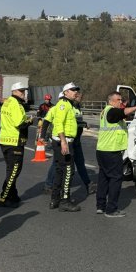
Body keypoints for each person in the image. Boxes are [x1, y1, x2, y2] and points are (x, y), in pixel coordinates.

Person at [95, 91, 136, 217]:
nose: (120, 102)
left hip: (103, 150)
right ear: (111, 101)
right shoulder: (111, 111)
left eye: (121, 100)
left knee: (104, 178)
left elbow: (121, 115)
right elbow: (122, 112)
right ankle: (111, 209)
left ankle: (100, 206)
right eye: (118, 100)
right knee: (116, 178)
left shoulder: (106, 112)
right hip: (111, 151)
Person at [48, 83, 83, 212]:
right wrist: (63, 141)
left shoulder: (68, 104)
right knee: (69, 171)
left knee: (59, 170)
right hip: (64, 142)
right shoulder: (64, 104)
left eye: (76, 90)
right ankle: (65, 200)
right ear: (66, 92)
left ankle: (55, 199)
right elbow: (58, 123)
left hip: (63, 141)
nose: (75, 92)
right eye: (73, 90)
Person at [0, 82, 33, 207]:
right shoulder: (16, 104)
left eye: (24, 91)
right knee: (14, 171)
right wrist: (30, 120)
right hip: (14, 141)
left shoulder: (7, 102)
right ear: (15, 91)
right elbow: (20, 123)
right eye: (21, 91)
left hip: (5, 140)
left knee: (10, 170)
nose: (24, 93)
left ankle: (13, 195)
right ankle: (5, 197)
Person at [71, 87, 96, 195]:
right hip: (70, 141)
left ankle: (88, 184)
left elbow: (78, 120)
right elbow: (72, 122)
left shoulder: (77, 107)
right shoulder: (70, 106)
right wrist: (84, 124)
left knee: (80, 163)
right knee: (63, 167)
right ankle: (50, 185)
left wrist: (83, 123)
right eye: (79, 97)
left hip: (77, 140)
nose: (81, 99)